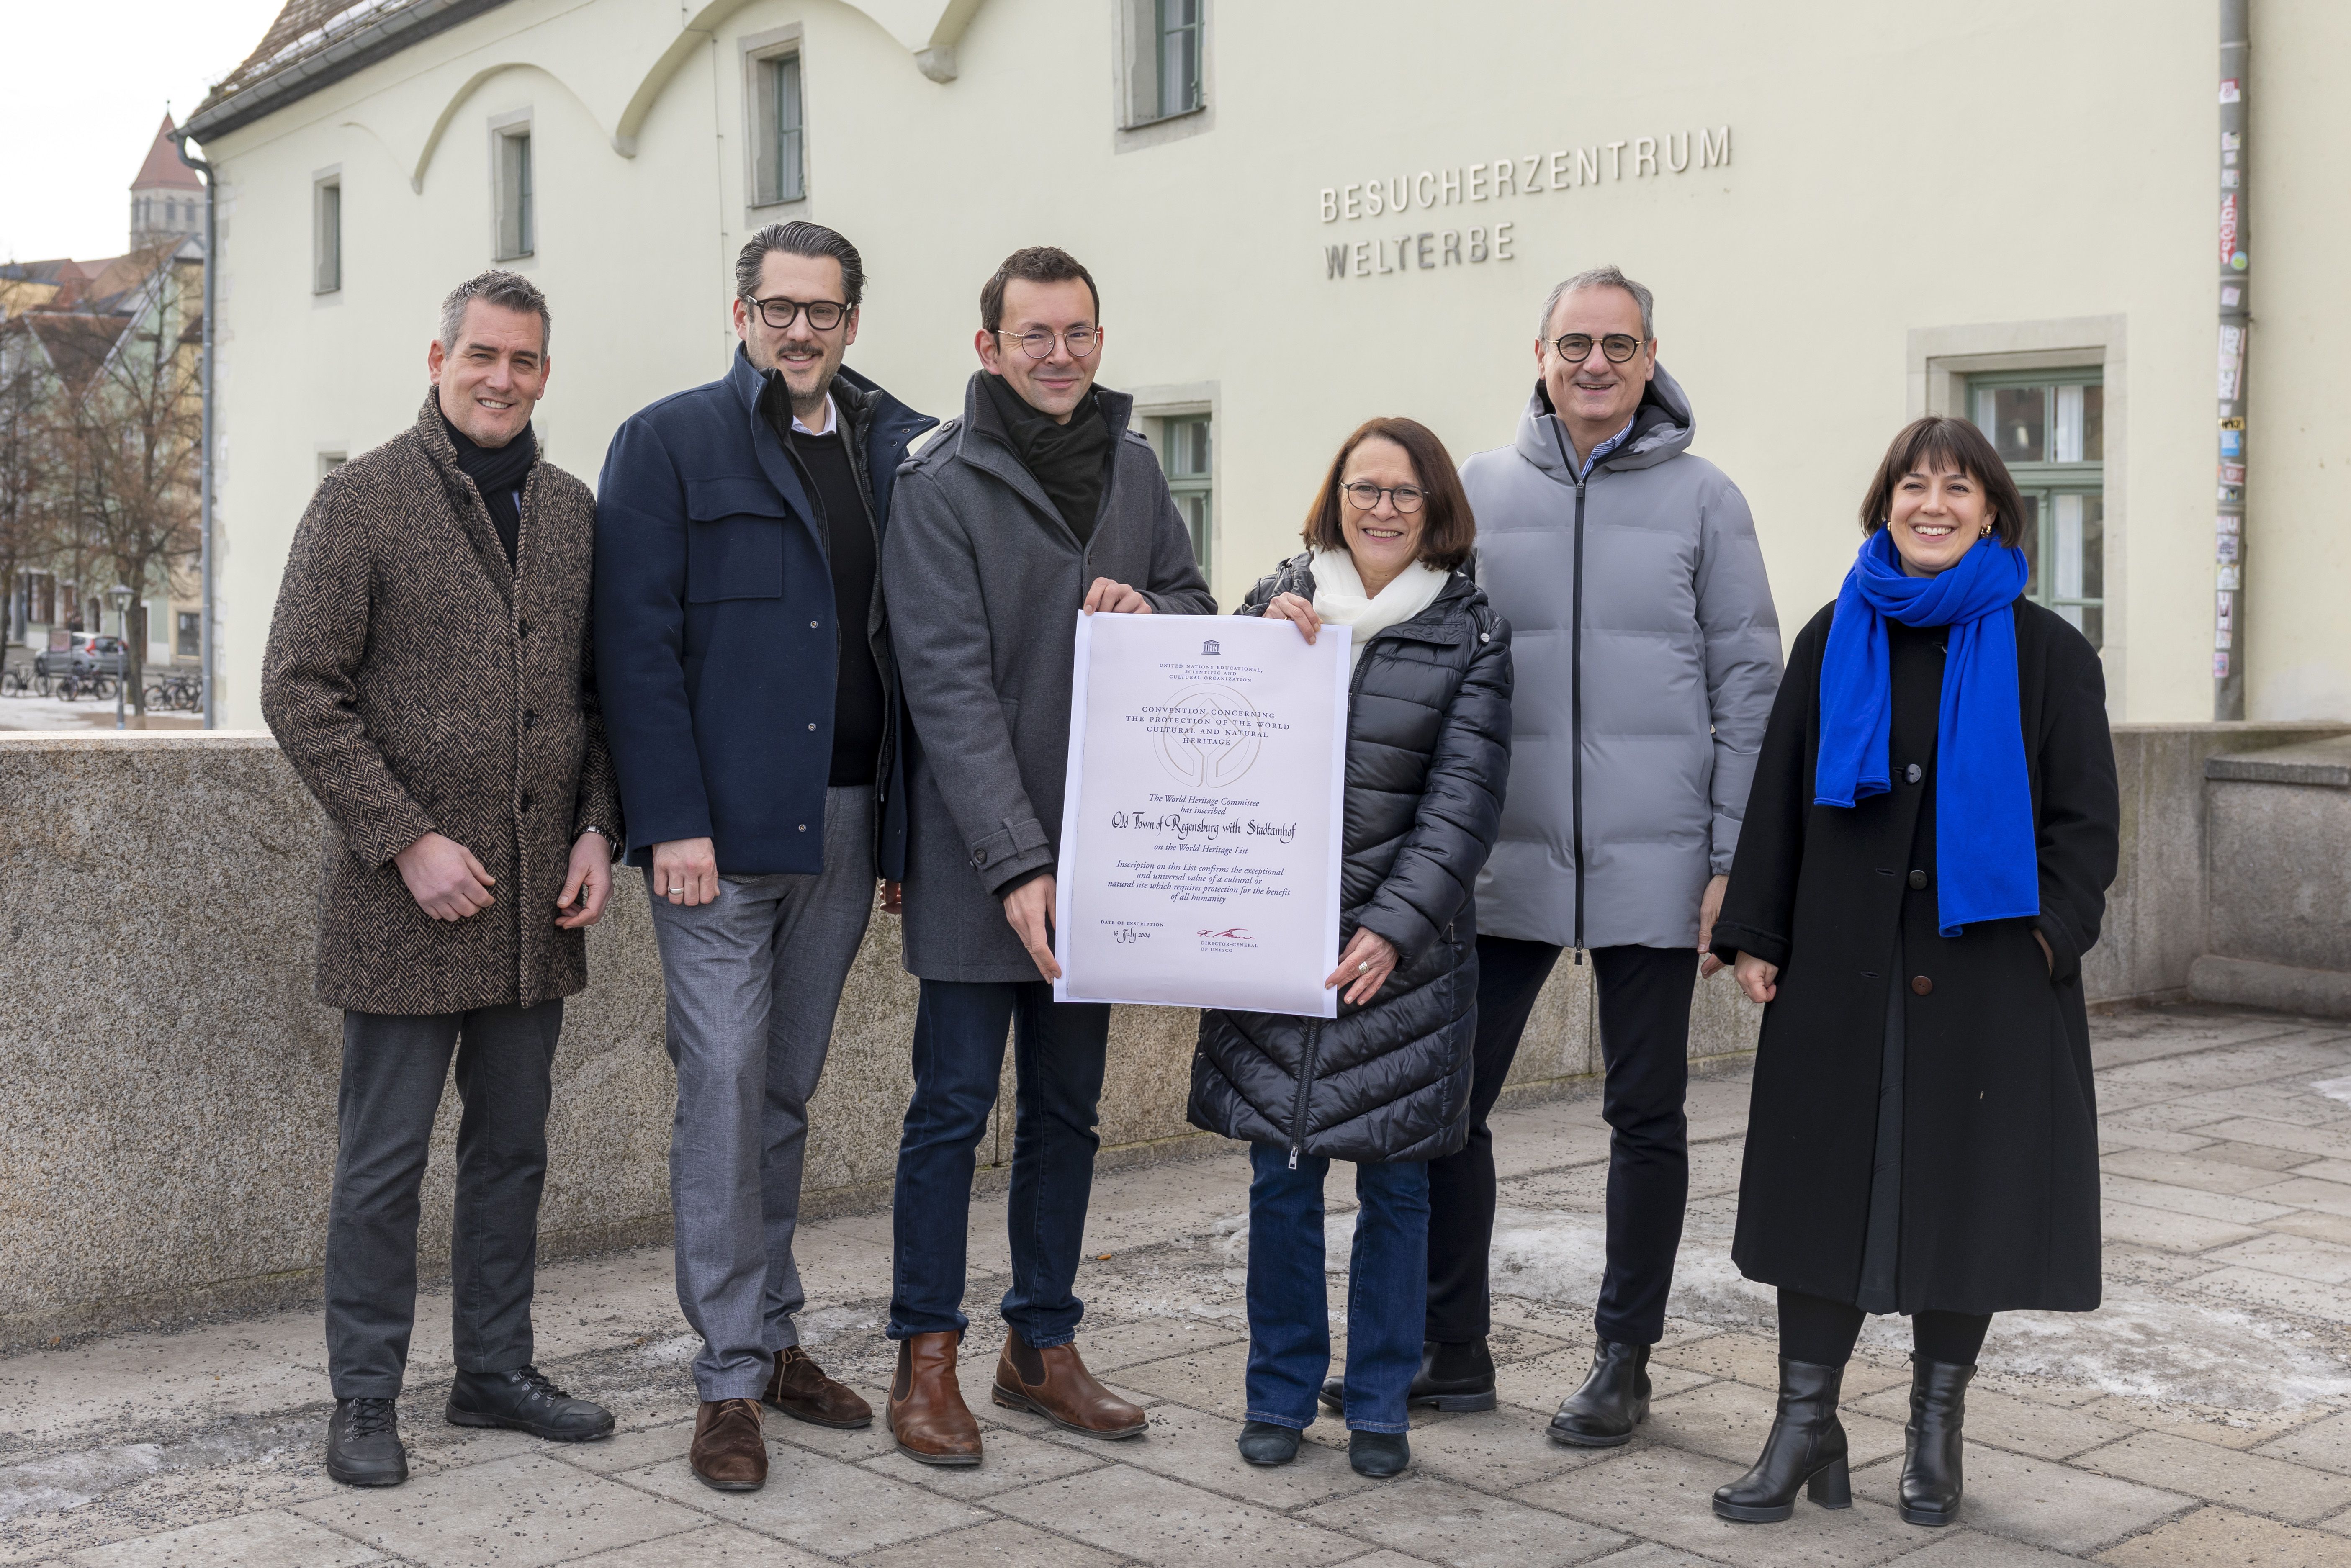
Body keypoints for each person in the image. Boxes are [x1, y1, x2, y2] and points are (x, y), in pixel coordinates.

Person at [1373, 266, 1780, 1440]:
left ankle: (1624, 1360)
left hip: (1659, 867)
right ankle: (1454, 1351)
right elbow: (1397, 630)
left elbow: (1750, 687)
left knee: (1645, 1119)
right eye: (1575, 344)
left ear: (1652, 358)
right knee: (1449, 1109)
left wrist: (1730, 861)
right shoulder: (1479, 492)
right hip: (1496, 864)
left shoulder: (1709, 501)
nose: (1596, 364)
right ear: (1538, 353)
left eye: (1619, 344)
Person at [1706, 416, 2117, 1527]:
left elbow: (2085, 829)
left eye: (1957, 487)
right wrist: (1757, 932)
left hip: (1989, 979)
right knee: (1822, 1188)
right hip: (1842, 972)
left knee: (1967, 1196)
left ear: (1994, 510)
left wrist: (2046, 940)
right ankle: (1804, 1424)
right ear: (1884, 502)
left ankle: (1937, 1430)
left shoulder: (2049, 654)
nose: (1931, 504)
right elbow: (1781, 798)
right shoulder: (1835, 634)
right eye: (1912, 485)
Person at [261, 269, 619, 1488]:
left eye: (524, 360)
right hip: (402, 908)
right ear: (439, 356)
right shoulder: (359, 500)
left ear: (545, 372)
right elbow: (299, 687)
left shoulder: (574, 511)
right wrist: (404, 837)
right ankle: (364, 1396)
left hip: (535, 906)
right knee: (382, 1166)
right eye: (483, 355)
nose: (501, 378)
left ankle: (493, 1371)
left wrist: (599, 831)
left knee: (513, 1151)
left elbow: (599, 698)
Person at [595, 222, 936, 1493]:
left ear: (853, 322)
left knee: (786, 1082)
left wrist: (900, 833)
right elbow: (633, 648)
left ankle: (774, 1332)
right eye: (780, 309)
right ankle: (729, 1377)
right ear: (740, 311)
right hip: (719, 839)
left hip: (847, 821)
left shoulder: (889, 448)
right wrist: (669, 819)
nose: (803, 331)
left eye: (826, 313)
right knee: (726, 1084)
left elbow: (910, 652)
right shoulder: (669, 440)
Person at [880, 246, 1215, 1466]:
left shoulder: (1132, 468)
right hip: (983, 865)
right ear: (990, 349)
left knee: (1068, 1110)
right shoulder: (939, 484)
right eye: (1035, 335)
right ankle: (926, 1361)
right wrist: (1020, 865)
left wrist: (1154, 612)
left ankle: (1043, 1345)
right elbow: (948, 691)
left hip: (1108, 859)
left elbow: (1192, 604)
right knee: (951, 1111)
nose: (1059, 353)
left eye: (1077, 332)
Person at [1194, 418, 1512, 1480]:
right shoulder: (1276, 602)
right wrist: (1249, 639)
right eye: (1363, 488)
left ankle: (1380, 1402)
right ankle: (1279, 1393)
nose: (1381, 509)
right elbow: (1197, 724)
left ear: (1437, 513)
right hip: (1275, 939)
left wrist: (1393, 928)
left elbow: (1463, 806)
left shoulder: (1471, 632)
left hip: (1404, 956)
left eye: (1405, 494)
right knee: (1281, 1181)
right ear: (1335, 497)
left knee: (1399, 1188)